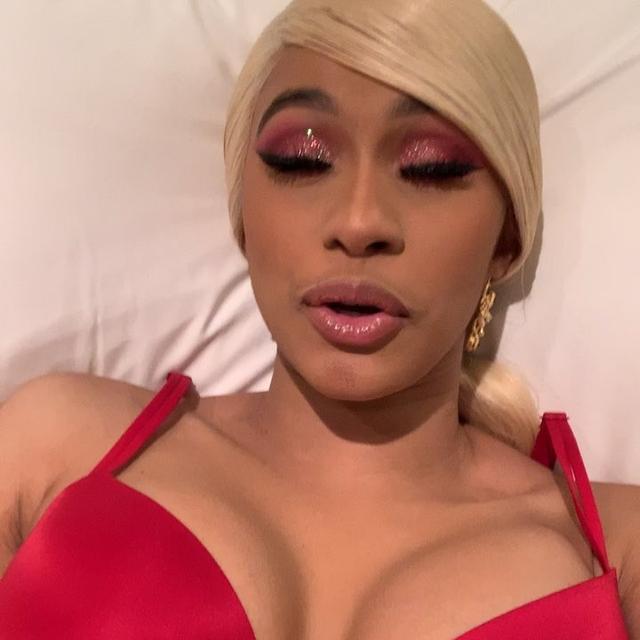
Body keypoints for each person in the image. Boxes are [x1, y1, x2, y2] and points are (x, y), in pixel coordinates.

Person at [0, 0, 638, 637]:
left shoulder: (620, 554)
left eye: (431, 167)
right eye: (301, 160)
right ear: (244, 215)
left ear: (506, 240)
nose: (359, 223)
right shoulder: (57, 445)